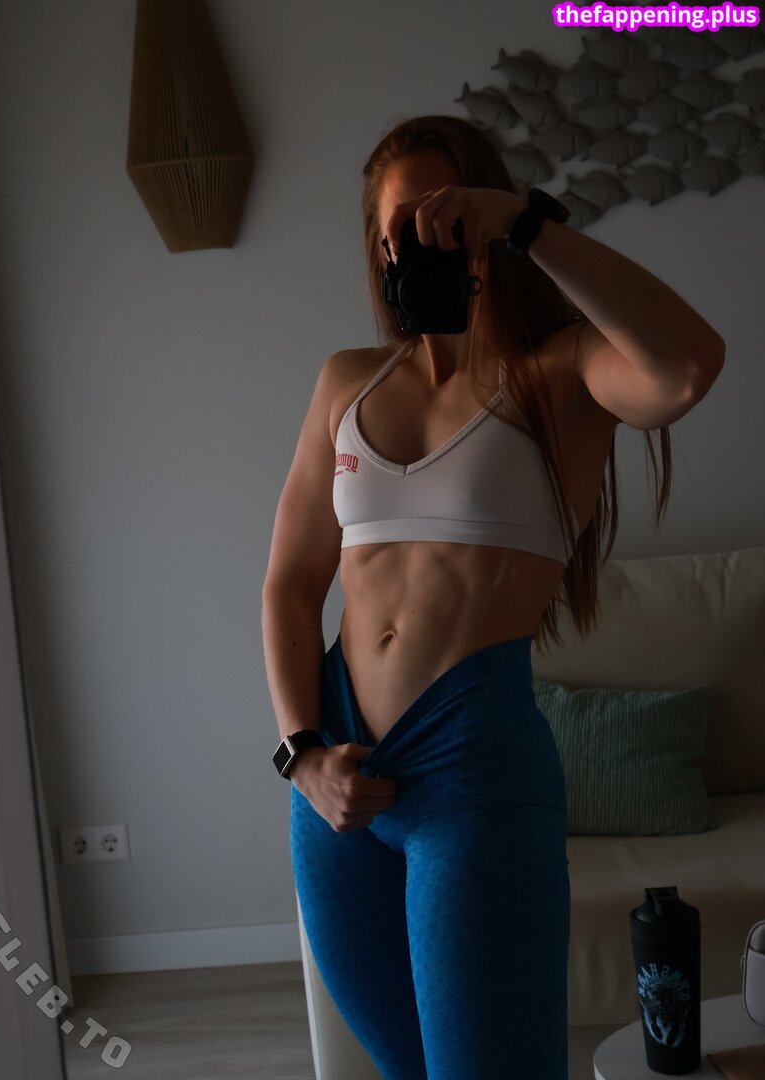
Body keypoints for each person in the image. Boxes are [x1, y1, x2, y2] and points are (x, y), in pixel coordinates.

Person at [261, 114, 724, 1080]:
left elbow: (688, 364)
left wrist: (527, 224)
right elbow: (292, 584)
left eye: (444, 214)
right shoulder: (346, 382)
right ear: (377, 245)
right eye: (398, 225)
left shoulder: (563, 371)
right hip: (336, 773)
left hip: (474, 770)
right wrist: (300, 755)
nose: (419, 238)